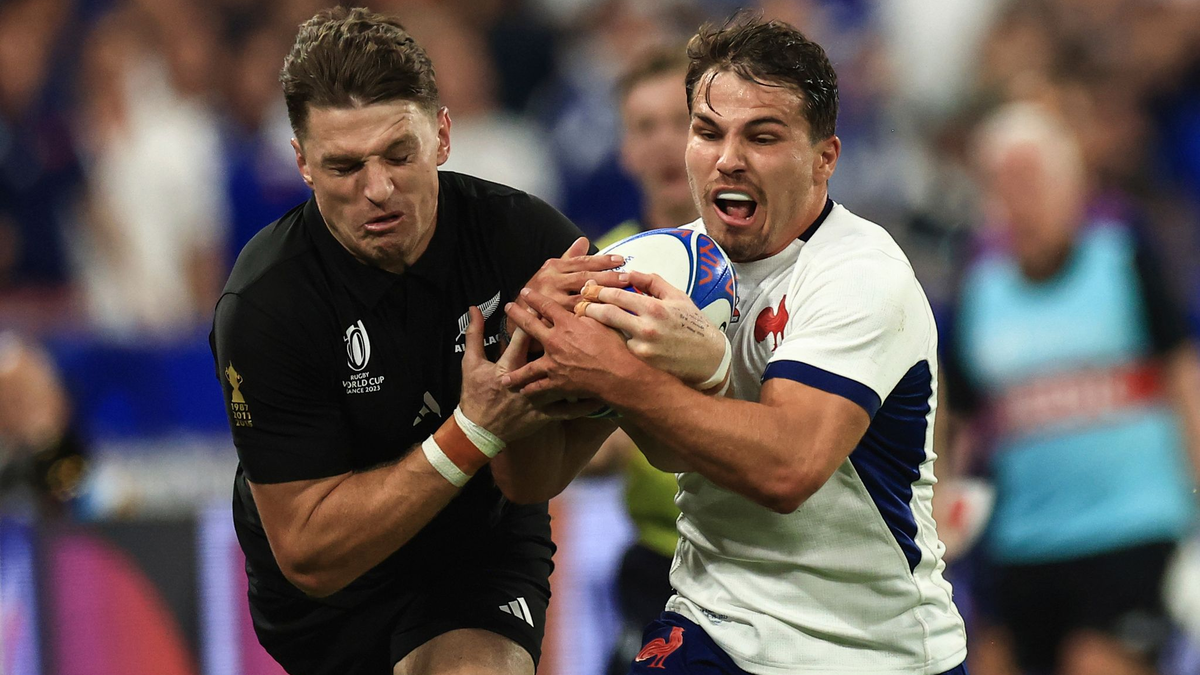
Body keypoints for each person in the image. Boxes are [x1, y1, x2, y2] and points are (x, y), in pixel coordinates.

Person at [502, 13, 968, 675]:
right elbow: (531, 477)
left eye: (762, 136)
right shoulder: (658, 265)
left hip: (866, 648)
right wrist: (522, 356)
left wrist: (629, 377)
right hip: (710, 623)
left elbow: (787, 470)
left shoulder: (859, 273)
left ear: (825, 158)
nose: (727, 158)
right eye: (708, 131)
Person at [208, 8, 620, 675]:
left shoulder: (526, 243)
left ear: (443, 135)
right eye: (344, 166)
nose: (378, 190)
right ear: (302, 162)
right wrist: (474, 431)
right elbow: (310, 554)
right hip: (328, 598)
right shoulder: (264, 305)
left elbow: (533, 480)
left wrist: (578, 380)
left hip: (476, 554)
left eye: (399, 155)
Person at [943, 101, 1200, 675]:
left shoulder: (1123, 258)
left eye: (1032, 180)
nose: (1020, 201)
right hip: (1024, 539)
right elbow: (957, 416)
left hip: (1132, 528)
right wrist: (943, 504)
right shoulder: (980, 289)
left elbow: (1183, 374)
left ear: (1072, 184)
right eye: (1004, 185)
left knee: (1094, 664)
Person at [583, 45, 696, 675]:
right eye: (645, 127)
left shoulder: (767, 251)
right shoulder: (600, 271)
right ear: (626, 149)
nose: (664, 143)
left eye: (682, 122)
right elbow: (580, 447)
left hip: (771, 553)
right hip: (663, 559)